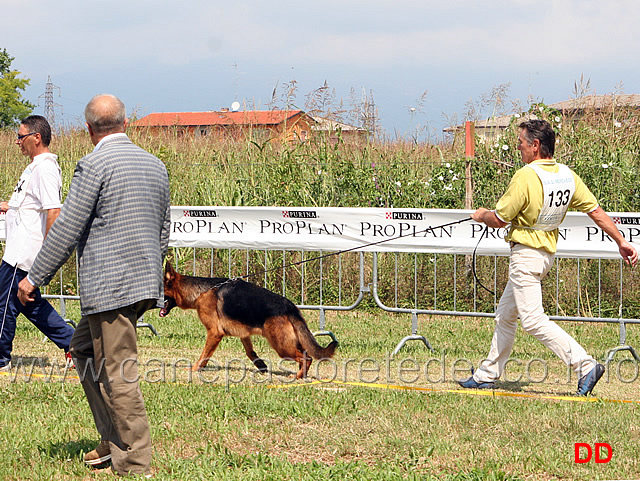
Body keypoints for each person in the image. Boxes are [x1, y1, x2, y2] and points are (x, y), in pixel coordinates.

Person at [17, 94, 171, 477]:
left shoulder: (93, 164)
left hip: (111, 287)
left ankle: (134, 462)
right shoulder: (155, 165)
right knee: (82, 349)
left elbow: (68, 226)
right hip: (140, 284)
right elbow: (164, 229)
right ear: (126, 123)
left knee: (118, 374)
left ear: (88, 130)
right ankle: (112, 438)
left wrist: (35, 277)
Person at [459, 119, 637, 396]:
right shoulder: (567, 175)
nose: (518, 149)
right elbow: (597, 212)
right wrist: (621, 240)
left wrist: (480, 214)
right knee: (505, 315)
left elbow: (499, 219)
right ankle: (486, 374)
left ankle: (585, 365)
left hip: (525, 256)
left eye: (520, 144)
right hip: (543, 256)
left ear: (535, 145)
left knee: (532, 321)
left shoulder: (526, 176)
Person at [0, 115, 74, 372]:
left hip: (24, 254)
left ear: (36, 137)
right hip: (18, 251)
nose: (17, 142)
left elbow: (53, 211)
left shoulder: (45, 168)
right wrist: (10, 208)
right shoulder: (35, 166)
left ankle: (1, 359)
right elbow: (33, 204)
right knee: (29, 303)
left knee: (4, 304)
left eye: (21, 137)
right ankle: (74, 344)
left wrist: (48, 253)